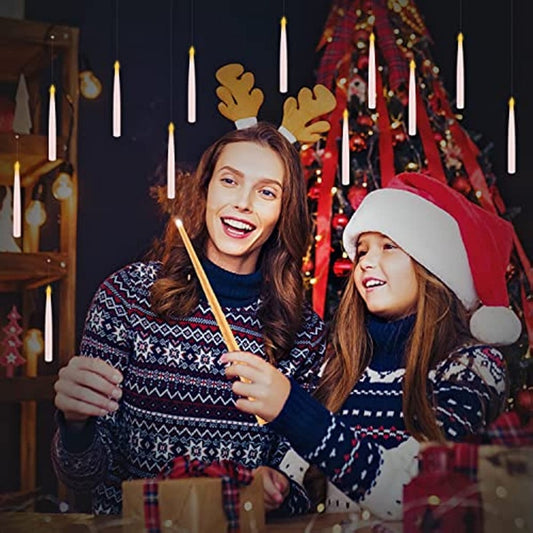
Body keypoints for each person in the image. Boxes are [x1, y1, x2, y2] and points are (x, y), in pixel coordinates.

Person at [51, 123, 326, 515]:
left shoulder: (304, 333)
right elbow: (81, 477)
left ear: (284, 211)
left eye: (267, 192)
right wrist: (75, 427)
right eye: (230, 181)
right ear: (205, 189)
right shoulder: (125, 298)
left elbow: (304, 484)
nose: (244, 203)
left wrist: (278, 488)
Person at [222, 171, 522, 519]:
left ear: (433, 267)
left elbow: (420, 492)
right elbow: (315, 485)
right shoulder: (340, 365)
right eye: (362, 250)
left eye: (389, 247)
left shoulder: (473, 367)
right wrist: (282, 489)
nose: (365, 262)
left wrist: (296, 412)